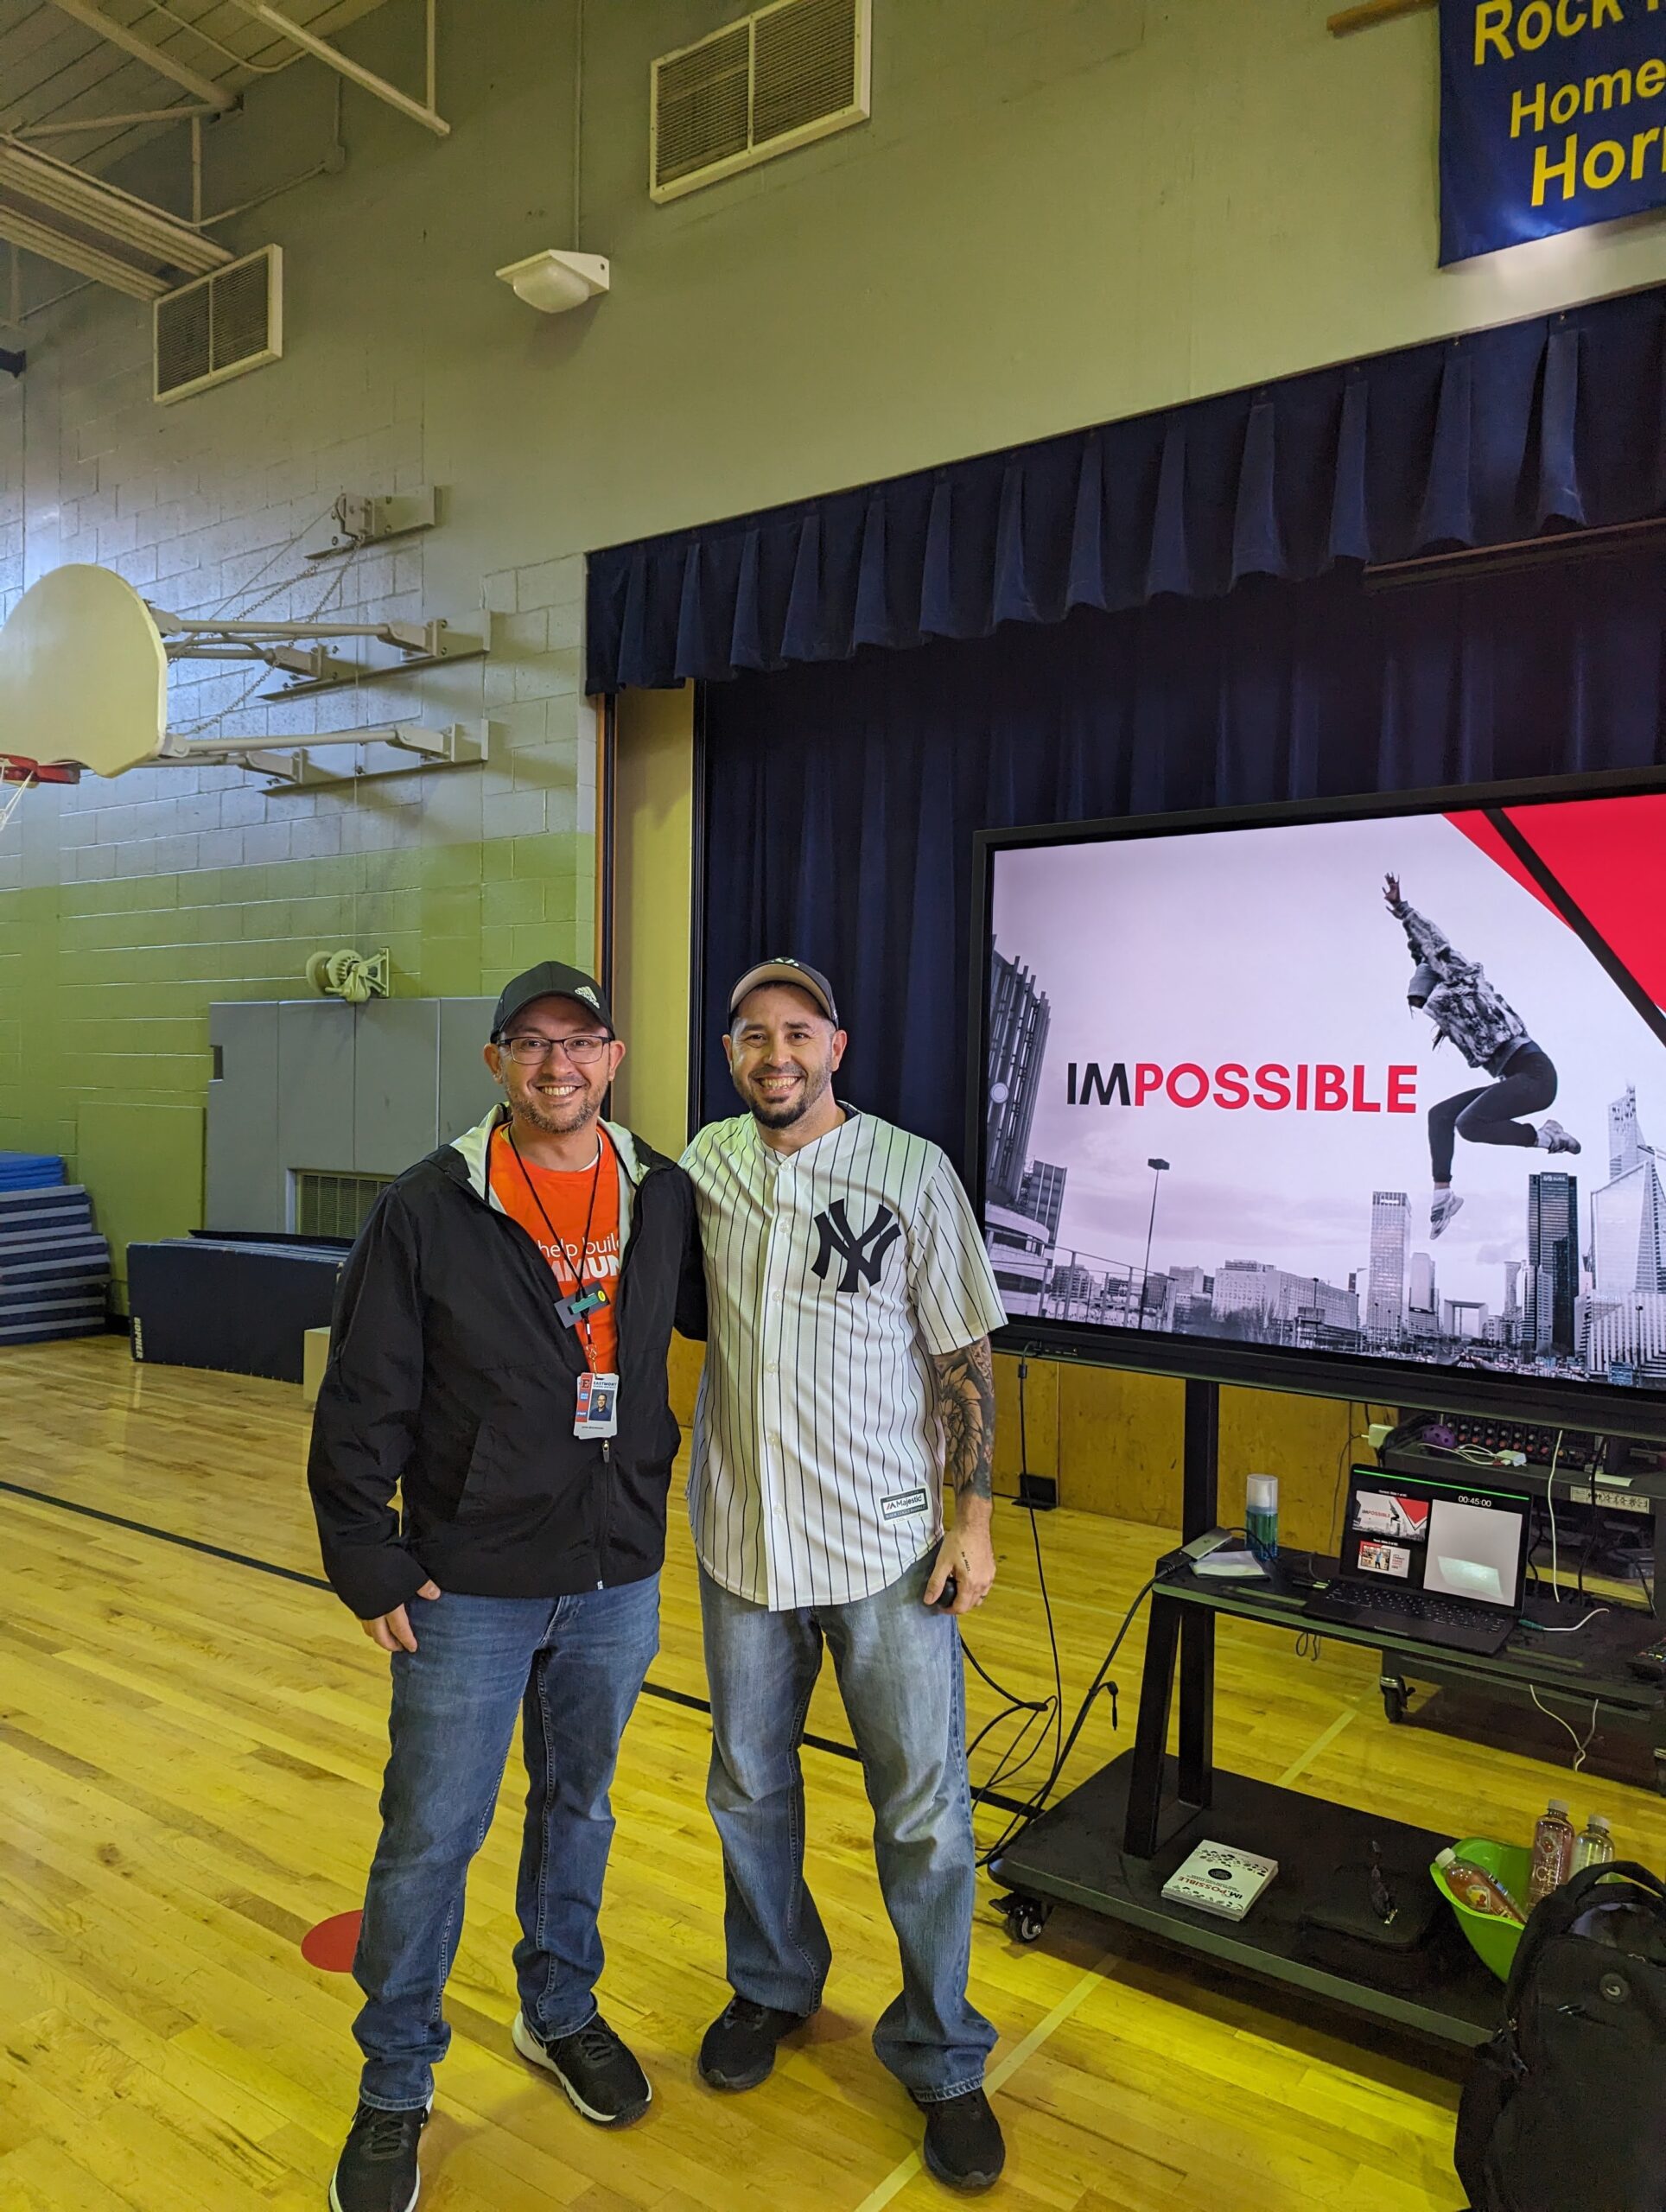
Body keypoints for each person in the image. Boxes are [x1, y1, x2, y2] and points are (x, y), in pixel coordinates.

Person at [308, 960, 703, 2212]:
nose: (557, 1066)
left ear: (614, 1056)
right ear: (495, 1064)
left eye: (579, 1043)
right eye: (530, 1045)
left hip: (613, 1575)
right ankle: (393, 2086)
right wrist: (367, 1553)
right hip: (466, 1583)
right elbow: (362, 1391)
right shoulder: (430, 1207)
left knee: (578, 1809)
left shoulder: (666, 1194)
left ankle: (559, 2008)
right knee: (430, 1840)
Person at [681, 956, 1009, 2196]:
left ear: (839, 1045)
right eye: (756, 1035)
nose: (778, 1054)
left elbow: (963, 1357)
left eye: (799, 1033)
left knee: (923, 1811)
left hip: (885, 1545)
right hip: (742, 1544)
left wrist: (969, 1518)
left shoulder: (912, 1171)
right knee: (748, 1785)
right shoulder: (702, 1171)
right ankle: (770, 1985)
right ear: (731, 1054)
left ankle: (941, 2053)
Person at [1383, 874, 1580, 1240]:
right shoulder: (1446, 1006)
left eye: (1424, 999)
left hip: (1537, 1075)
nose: (1427, 1008)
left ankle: (1547, 1137)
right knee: (1440, 1115)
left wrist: (1402, 910)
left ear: (1437, 984)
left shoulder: (1461, 979)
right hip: (1518, 1080)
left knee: (1469, 1125)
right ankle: (1442, 1196)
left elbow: (1432, 947)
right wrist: (1413, 950)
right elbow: (1419, 956)